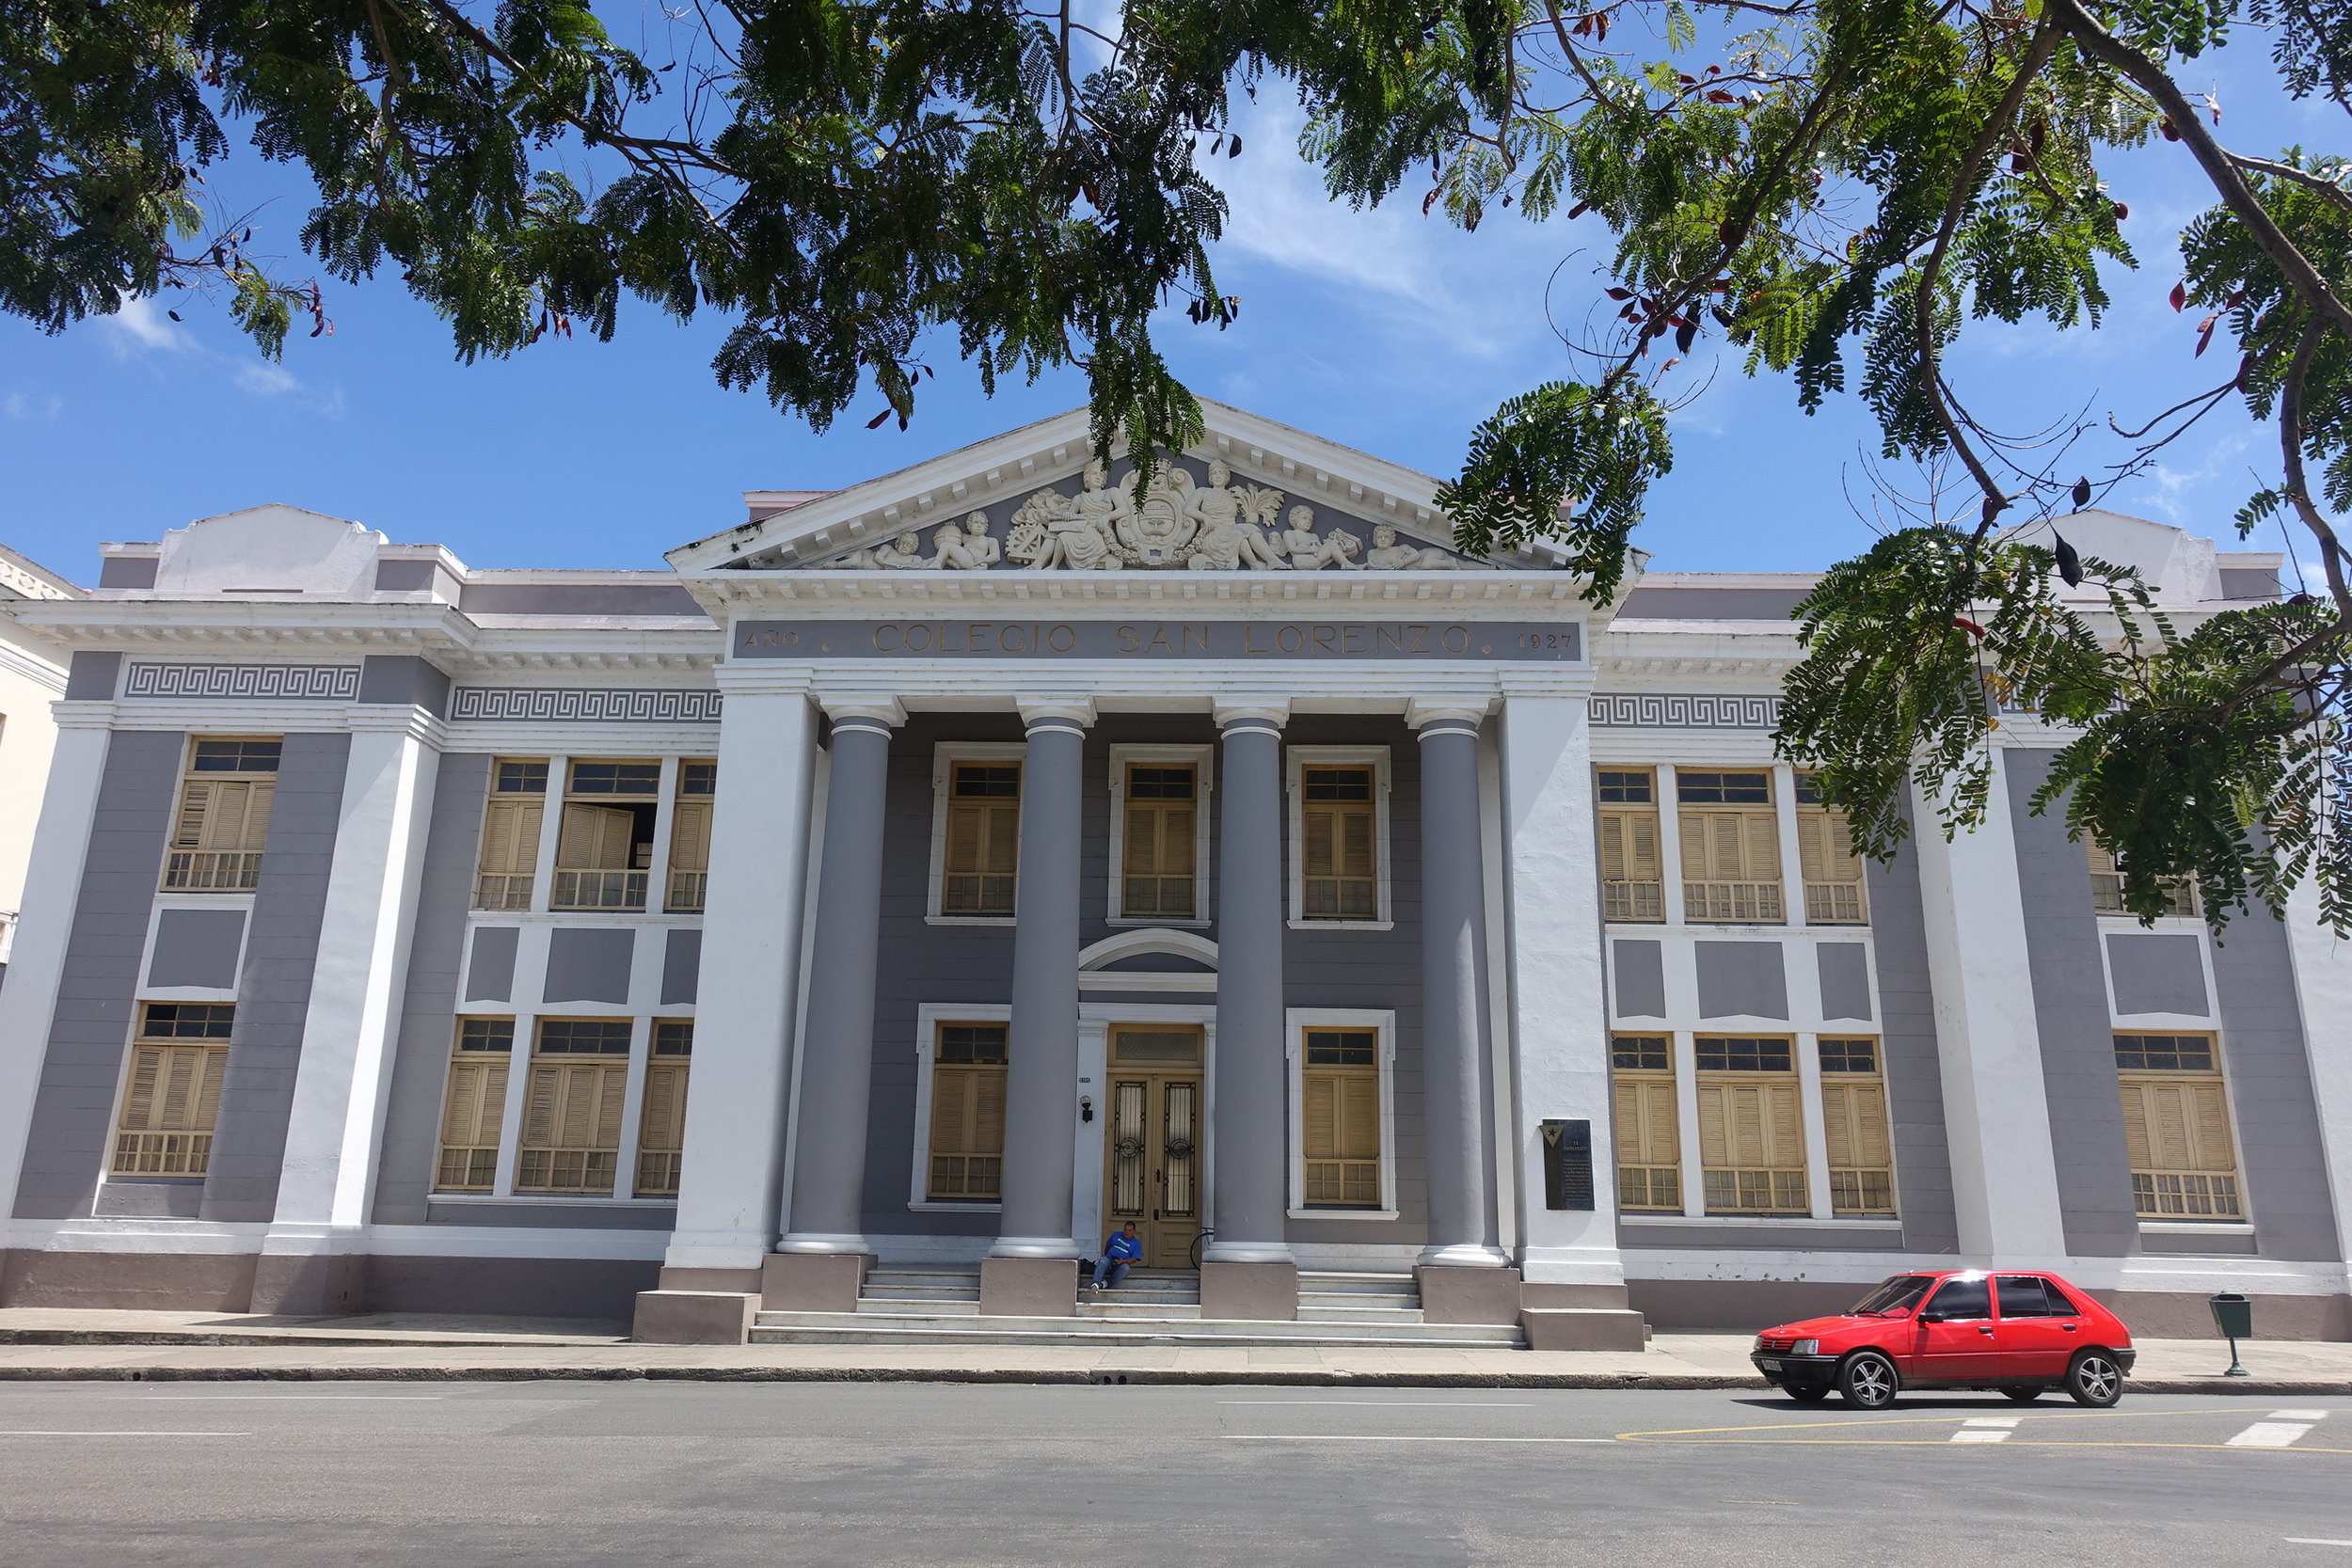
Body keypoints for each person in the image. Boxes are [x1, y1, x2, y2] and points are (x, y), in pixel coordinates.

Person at [1091, 1222, 1143, 1291]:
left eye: (1130, 1230)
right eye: (1125, 1230)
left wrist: (1122, 1261)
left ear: (1134, 1231)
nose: (1127, 1232)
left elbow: (1134, 1259)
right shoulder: (1116, 1235)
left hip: (1120, 1264)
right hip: (1109, 1260)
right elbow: (1108, 1246)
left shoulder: (1136, 1243)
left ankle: (1105, 1284)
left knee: (1126, 1268)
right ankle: (1095, 1284)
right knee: (1103, 1260)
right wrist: (1107, 1256)